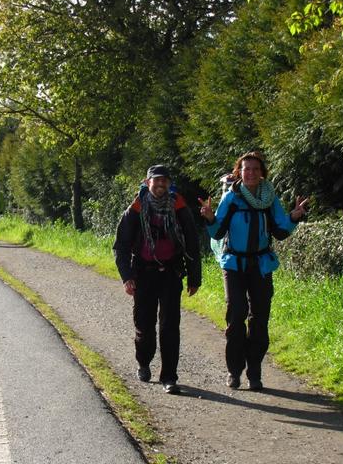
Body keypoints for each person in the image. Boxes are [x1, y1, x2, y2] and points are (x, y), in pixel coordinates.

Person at [199, 151, 308, 391]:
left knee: (259, 319)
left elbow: (280, 231)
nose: (250, 173)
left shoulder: (270, 198)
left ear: (262, 174)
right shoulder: (231, 198)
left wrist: (294, 216)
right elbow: (217, 232)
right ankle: (234, 371)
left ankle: (255, 373)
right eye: (246, 169)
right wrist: (209, 218)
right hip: (235, 265)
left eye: (255, 169)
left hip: (260, 265)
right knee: (236, 316)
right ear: (239, 173)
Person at [113, 165, 201, 394]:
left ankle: (169, 377)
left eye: (165, 181)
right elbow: (121, 245)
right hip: (143, 273)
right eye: (156, 181)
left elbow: (192, 242)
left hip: (171, 273)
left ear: (170, 184)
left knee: (170, 327)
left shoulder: (179, 207)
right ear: (147, 182)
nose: (161, 185)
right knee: (144, 326)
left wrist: (194, 277)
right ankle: (143, 362)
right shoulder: (136, 209)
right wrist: (127, 277)